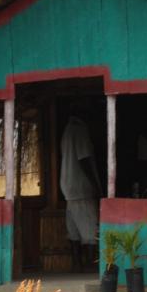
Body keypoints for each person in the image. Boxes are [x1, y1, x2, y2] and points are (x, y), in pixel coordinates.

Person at [60, 114, 100, 271]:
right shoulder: (80, 130)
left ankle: (76, 263)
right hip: (81, 187)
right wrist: (95, 184)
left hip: (68, 187)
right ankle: (90, 265)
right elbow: (84, 158)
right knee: (90, 230)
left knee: (73, 230)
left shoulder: (67, 130)